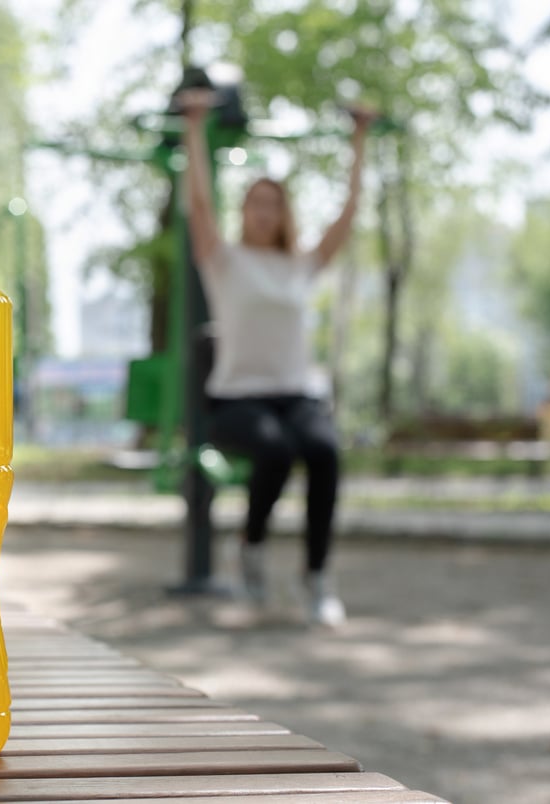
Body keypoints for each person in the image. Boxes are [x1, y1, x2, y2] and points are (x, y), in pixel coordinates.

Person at [178, 88, 373, 627]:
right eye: (254, 202)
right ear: (243, 210)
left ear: (285, 212)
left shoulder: (302, 266)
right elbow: (197, 203)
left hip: (296, 393)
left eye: (273, 203)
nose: (264, 211)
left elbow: (348, 213)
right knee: (276, 450)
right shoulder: (223, 260)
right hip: (237, 398)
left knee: (324, 451)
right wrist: (194, 127)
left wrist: (359, 140)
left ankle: (316, 576)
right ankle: (252, 544)